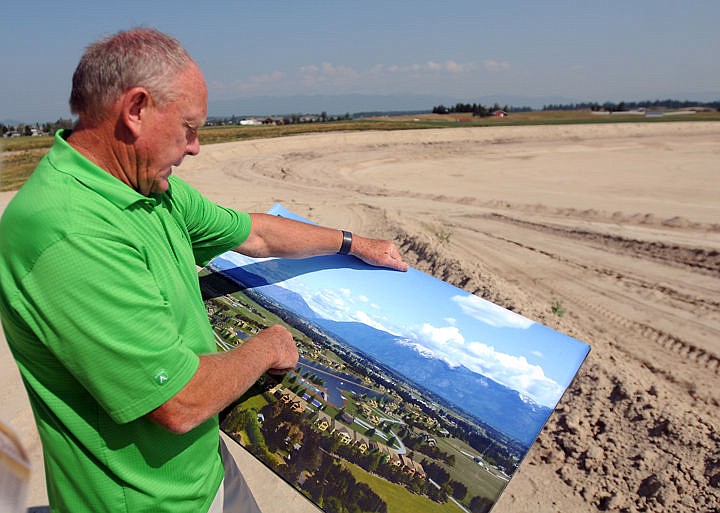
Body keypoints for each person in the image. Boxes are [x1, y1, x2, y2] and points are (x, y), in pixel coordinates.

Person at [0, 28, 408, 513]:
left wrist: (355, 244)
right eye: (189, 128)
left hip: (201, 466)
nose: (195, 148)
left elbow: (257, 234)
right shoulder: (68, 233)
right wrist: (267, 347)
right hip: (149, 502)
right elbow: (179, 402)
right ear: (136, 110)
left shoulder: (147, 189)